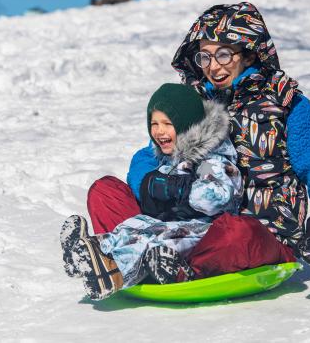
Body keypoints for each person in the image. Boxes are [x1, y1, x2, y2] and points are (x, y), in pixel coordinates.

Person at [90, 2, 310, 279]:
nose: (213, 67)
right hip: (183, 228)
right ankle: (139, 258)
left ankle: (155, 265)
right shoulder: (192, 102)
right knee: (104, 192)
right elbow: (150, 153)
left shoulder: (285, 104)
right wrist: (153, 184)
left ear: (249, 54)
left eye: (224, 55)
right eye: (205, 57)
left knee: (238, 233)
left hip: (260, 236)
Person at [60, 83, 246, 300]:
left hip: (203, 231)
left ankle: (113, 271)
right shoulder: (169, 156)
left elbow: (215, 197)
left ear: (188, 125)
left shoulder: (211, 158)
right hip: (173, 225)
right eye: (154, 123)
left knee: (150, 238)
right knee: (134, 228)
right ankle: (91, 251)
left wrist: (178, 188)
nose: (159, 131)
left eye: (167, 123)